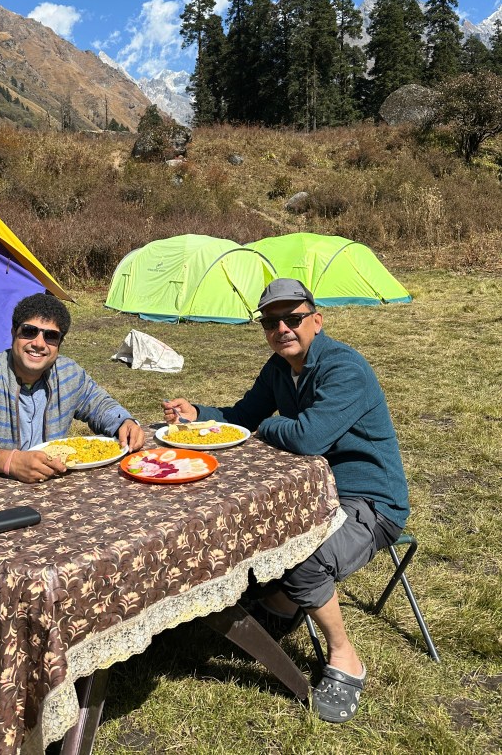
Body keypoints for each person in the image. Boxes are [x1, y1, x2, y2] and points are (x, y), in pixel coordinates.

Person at [162, 277, 409, 723]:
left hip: (369, 502)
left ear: (317, 320)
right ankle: (281, 605)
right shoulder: (278, 367)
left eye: (293, 318)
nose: (282, 329)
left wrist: (267, 428)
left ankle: (344, 657)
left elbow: (308, 437)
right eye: (270, 322)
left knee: (302, 559)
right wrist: (199, 414)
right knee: (245, 521)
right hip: (310, 492)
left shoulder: (344, 369)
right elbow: (242, 416)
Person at [0, 292, 145, 482]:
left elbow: (100, 405)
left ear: (59, 343)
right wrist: (10, 461)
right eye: (29, 332)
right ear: (14, 333)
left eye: (50, 336)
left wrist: (124, 422)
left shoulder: (68, 374)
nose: (39, 343)